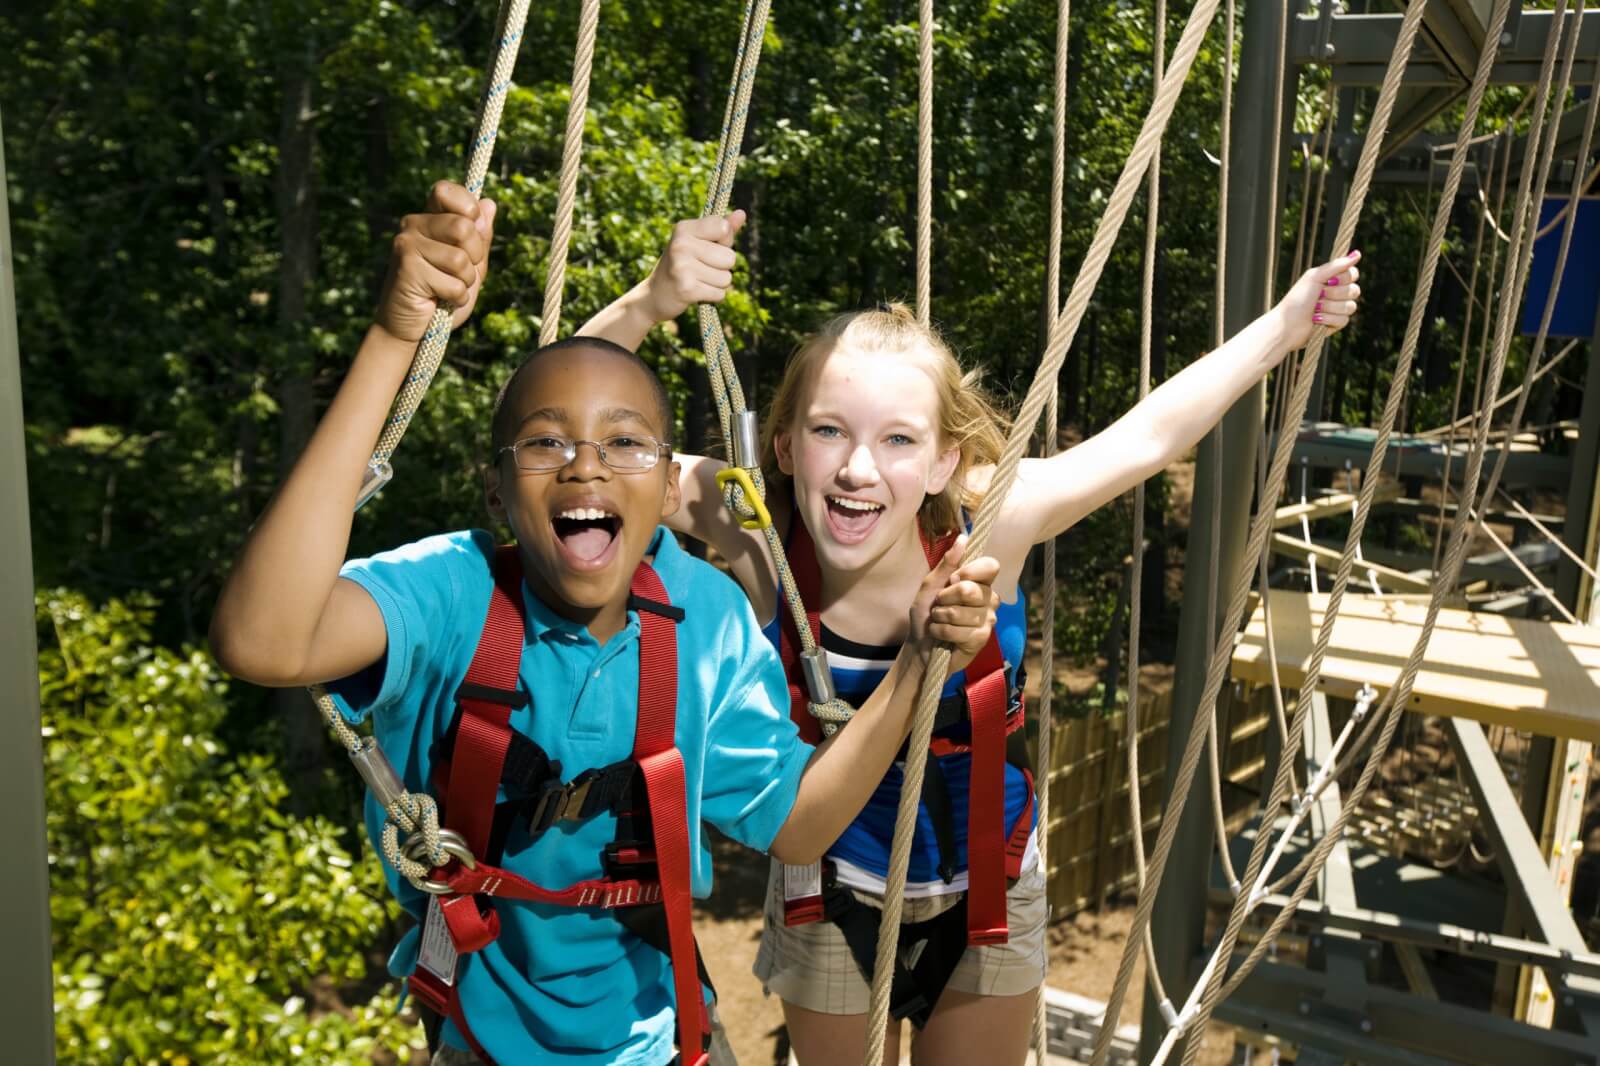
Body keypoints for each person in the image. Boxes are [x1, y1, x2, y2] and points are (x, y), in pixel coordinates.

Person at [208, 181, 1006, 1066]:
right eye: (547, 444)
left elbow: (799, 825)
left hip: (662, 1037)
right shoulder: (452, 596)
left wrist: (914, 663)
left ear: (671, 492)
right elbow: (261, 640)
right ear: (498, 486)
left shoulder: (703, 624)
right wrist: (397, 340)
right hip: (483, 1040)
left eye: (625, 443)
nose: (587, 464)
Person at [583, 211, 1363, 1065]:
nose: (858, 469)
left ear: (947, 463)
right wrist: (649, 302)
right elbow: (572, 443)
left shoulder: (991, 522)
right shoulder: (757, 529)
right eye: (829, 431)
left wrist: (1286, 324)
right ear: (784, 443)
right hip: (825, 892)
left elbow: (1151, 438)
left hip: (982, 888)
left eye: (899, 441)